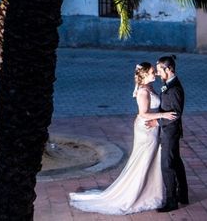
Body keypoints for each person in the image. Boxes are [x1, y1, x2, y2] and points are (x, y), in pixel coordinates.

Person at [68, 62, 177, 215]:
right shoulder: (142, 92)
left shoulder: (150, 87)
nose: (155, 74)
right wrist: (163, 115)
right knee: (143, 161)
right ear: (144, 74)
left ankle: (148, 192)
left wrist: (159, 118)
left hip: (152, 127)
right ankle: (133, 194)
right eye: (153, 72)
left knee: (150, 160)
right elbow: (142, 114)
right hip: (146, 130)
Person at [156, 54, 188, 212]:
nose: (157, 74)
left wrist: (158, 120)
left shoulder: (174, 88)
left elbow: (175, 114)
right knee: (176, 161)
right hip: (170, 131)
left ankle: (171, 200)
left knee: (167, 165)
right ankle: (183, 194)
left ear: (168, 69)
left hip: (170, 131)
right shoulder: (169, 83)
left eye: (159, 70)